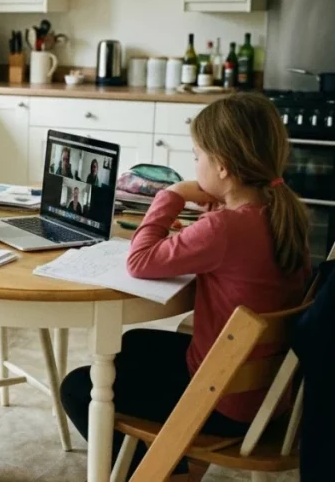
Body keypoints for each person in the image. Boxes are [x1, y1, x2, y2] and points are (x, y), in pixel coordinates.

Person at [59, 93, 311, 478]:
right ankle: (171, 464)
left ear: (222, 166)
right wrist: (218, 207)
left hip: (224, 400)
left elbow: (139, 261)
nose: (193, 166)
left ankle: (162, 473)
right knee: (134, 344)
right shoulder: (281, 212)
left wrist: (170, 195)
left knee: (78, 389)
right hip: (267, 392)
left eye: (196, 156)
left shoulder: (223, 228)